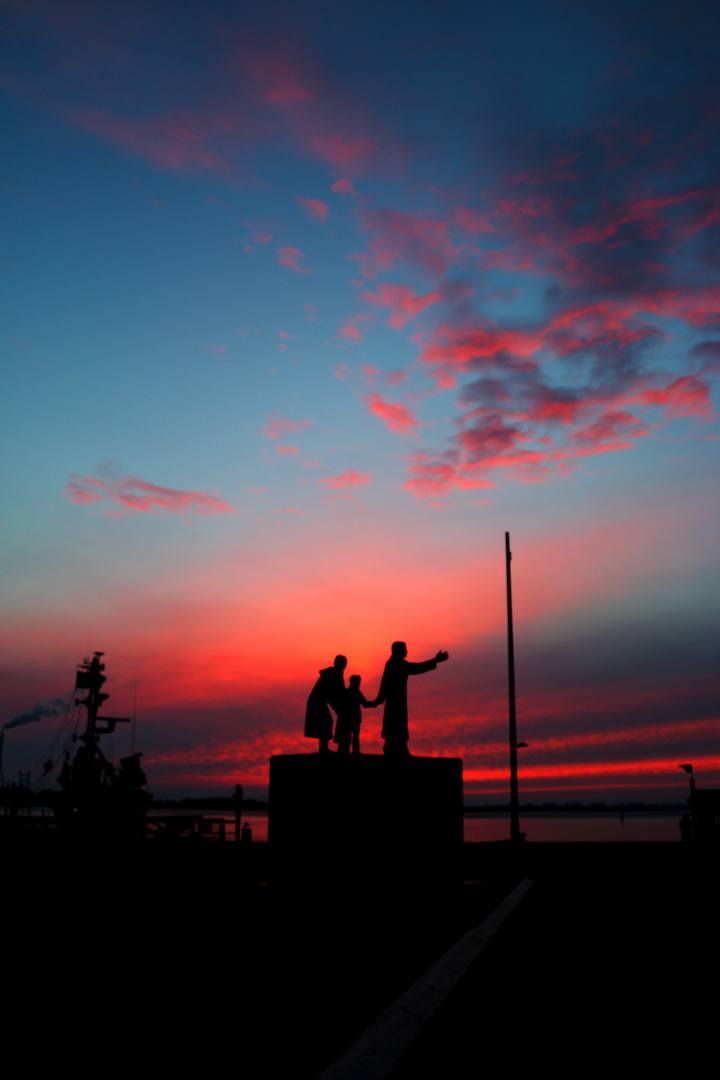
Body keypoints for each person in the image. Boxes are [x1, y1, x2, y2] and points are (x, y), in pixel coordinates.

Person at [373, 642, 449, 757]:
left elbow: (385, 682)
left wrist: (381, 696)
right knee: (397, 723)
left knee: (397, 723)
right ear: (398, 650)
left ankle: (397, 748)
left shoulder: (394, 663)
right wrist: (435, 661)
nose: (407, 651)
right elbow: (416, 668)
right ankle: (395, 749)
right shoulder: (397, 664)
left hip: (396, 699)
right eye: (405, 649)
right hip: (395, 700)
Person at [305, 655, 347, 753]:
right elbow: (336, 692)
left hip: (319, 700)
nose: (344, 666)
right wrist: (338, 708)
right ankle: (323, 748)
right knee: (326, 722)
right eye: (343, 664)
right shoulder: (335, 674)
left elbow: (336, 693)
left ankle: (323, 748)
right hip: (317, 701)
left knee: (326, 722)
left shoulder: (335, 673)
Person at [333, 674, 375, 755]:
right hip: (353, 717)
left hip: (351, 717)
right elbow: (365, 704)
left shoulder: (348, 692)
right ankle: (354, 751)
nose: (359, 683)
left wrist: (373, 703)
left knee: (350, 734)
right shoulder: (355, 692)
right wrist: (374, 703)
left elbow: (364, 704)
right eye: (358, 681)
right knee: (354, 735)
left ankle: (352, 751)